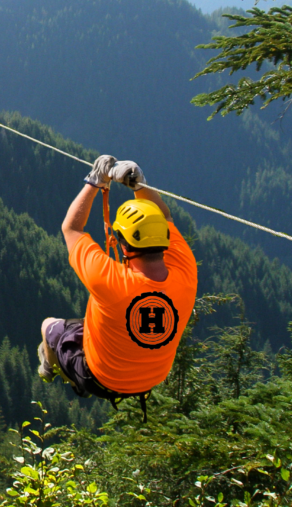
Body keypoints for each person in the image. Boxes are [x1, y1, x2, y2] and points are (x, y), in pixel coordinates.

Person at [38, 155, 198, 419]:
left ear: (122, 245)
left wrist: (94, 182)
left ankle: (51, 365)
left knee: (48, 325)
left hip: (100, 376)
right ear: (165, 237)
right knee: (89, 324)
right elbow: (166, 215)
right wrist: (140, 186)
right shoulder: (186, 271)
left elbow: (71, 228)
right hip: (151, 378)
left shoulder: (110, 280)